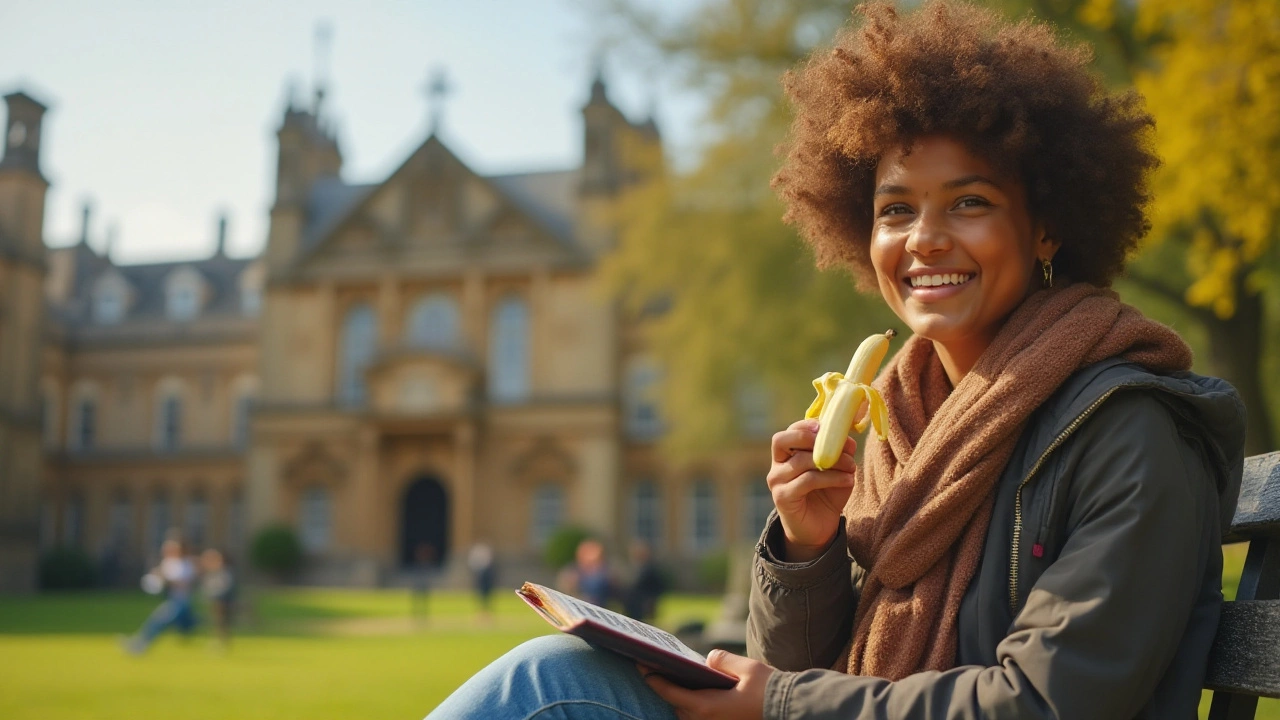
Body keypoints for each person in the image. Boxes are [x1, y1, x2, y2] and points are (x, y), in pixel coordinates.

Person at [425, 2, 1246, 717]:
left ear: (1046, 228)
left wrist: (779, 707)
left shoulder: (1127, 431)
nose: (924, 237)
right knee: (562, 671)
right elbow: (801, 666)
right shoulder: (899, 427)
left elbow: (1045, 704)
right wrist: (809, 551)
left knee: (550, 694)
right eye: (896, 209)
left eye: (970, 201)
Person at [122, 537, 199, 655]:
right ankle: (139, 644)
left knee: (158, 622)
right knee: (167, 623)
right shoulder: (168, 562)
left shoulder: (186, 564)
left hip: (180, 602)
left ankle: (139, 644)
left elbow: (183, 583)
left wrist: (166, 579)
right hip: (169, 600)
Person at [200, 548, 236, 649]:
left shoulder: (225, 572)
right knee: (216, 623)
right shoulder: (211, 573)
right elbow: (207, 587)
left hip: (223, 602)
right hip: (214, 601)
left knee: (222, 623)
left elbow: (226, 587)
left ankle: (223, 642)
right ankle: (218, 641)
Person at [623, 540, 666, 623]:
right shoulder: (634, 567)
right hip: (632, 605)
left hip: (642, 606)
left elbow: (659, 587)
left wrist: (651, 600)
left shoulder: (651, 570)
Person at [467, 541, 497, 619]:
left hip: (486, 574)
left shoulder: (484, 550)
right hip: (480, 574)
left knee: (486, 594)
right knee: (481, 594)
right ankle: (482, 611)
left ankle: (486, 612)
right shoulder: (477, 550)